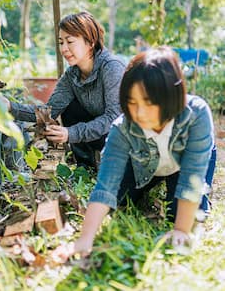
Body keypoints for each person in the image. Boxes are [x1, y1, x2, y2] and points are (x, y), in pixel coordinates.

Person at [52, 46, 216, 262]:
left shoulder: (196, 115)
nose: (139, 113)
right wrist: (85, 239)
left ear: (171, 97)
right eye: (132, 103)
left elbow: (192, 178)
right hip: (145, 162)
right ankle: (151, 184)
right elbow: (106, 185)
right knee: (119, 201)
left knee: (185, 216)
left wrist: (181, 231)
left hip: (183, 166)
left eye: (148, 103)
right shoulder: (123, 126)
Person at [6, 11, 126, 169]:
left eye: (70, 41)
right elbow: (49, 111)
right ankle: (86, 169)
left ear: (90, 42)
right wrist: (9, 106)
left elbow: (114, 117)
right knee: (70, 106)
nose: (64, 49)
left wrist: (70, 133)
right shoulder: (72, 75)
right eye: (61, 42)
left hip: (123, 137)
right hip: (96, 133)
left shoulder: (111, 68)